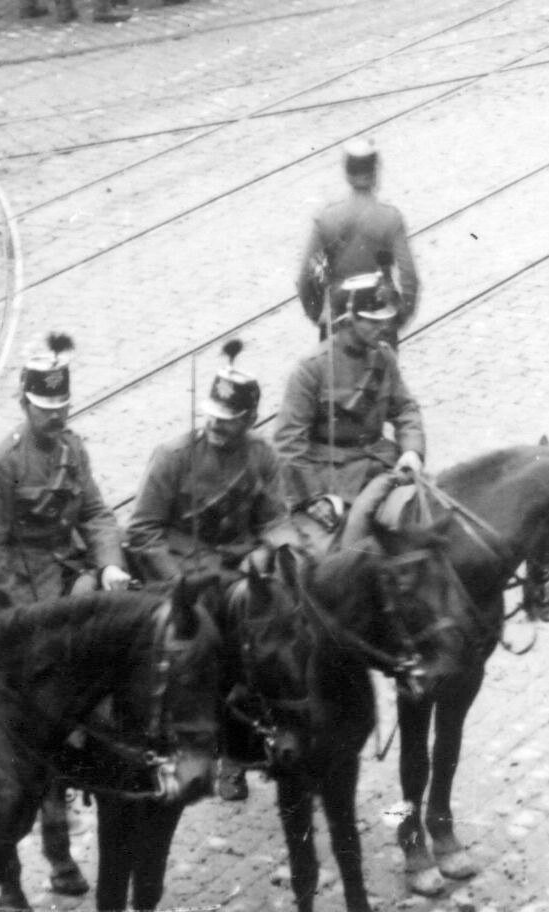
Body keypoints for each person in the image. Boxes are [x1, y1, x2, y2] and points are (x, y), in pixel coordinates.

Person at [0, 332, 121, 910]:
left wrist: (108, 566)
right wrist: (32, 615)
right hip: (16, 610)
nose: (55, 418)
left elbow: (98, 513)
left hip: (69, 587)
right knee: (16, 734)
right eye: (45, 409)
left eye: (62, 409)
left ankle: (68, 834)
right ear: (25, 405)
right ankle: (6, 879)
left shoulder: (73, 452)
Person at [126, 342, 293, 593]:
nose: (215, 425)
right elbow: (143, 530)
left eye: (227, 419)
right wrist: (176, 580)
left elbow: (275, 522)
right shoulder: (173, 456)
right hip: (184, 566)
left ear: (250, 420)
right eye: (212, 415)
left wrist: (263, 553)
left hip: (241, 563)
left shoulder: (262, 455)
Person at [273, 270, 426, 505]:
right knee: (349, 538)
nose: (382, 327)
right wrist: (312, 500)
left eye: (382, 320)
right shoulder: (312, 369)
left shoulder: (384, 358)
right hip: (333, 480)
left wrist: (412, 451)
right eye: (372, 321)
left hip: (382, 463)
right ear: (348, 319)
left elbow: (405, 408)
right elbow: (288, 443)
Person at [297, 139, 424, 336]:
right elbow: (410, 278)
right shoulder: (390, 218)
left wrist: (320, 319)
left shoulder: (326, 218)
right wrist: (399, 318)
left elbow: (305, 279)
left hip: (338, 320)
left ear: (347, 174)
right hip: (379, 319)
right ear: (375, 173)